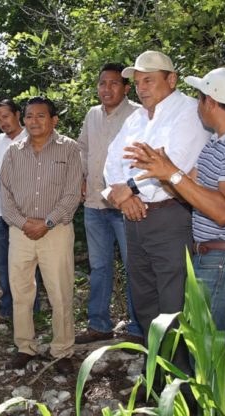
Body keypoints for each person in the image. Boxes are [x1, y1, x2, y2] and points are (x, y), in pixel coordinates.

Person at [127, 67, 225, 416]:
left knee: (206, 358)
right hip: (213, 257)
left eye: (199, 98)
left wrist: (173, 175)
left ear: (210, 102)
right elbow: (189, 189)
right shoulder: (219, 140)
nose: (196, 104)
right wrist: (165, 173)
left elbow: (224, 210)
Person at [103, 51, 211, 349]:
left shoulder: (190, 112)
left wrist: (129, 188)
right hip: (134, 218)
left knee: (173, 299)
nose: (142, 88)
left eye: (149, 80)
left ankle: (181, 381)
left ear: (172, 79)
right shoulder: (136, 118)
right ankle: (158, 371)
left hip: (170, 216)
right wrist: (122, 197)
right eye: (138, 82)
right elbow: (110, 162)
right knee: (143, 296)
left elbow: (174, 165)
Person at [0, 96, 82, 371]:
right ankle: (25, 346)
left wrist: (46, 222)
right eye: (29, 116)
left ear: (54, 120)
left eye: (41, 116)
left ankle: (63, 350)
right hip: (20, 232)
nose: (34, 121)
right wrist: (24, 224)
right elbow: (5, 195)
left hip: (56, 230)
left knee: (60, 292)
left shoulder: (69, 149)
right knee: (21, 292)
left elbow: (73, 194)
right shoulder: (13, 151)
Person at [76, 63, 143, 345]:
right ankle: (99, 324)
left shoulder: (138, 114)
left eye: (114, 83)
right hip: (93, 203)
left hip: (125, 205)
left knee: (135, 266)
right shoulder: (92, 115)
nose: (107, 89)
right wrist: (80, 176)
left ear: (126, 88)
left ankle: (138, 328)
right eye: (103, 83)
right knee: (99, 266)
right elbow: (82, 148)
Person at [0, 99, 44, 323]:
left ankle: (32, 310)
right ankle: (8, 309)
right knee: (3, 264)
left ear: (17, 115)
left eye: (6, 116)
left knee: (30, 263)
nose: (3, 122)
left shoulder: (32, 137)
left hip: (25, 214)